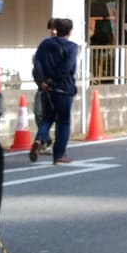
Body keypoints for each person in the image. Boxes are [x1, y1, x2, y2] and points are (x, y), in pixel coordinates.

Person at [31, 17, 79, 165]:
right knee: (63, 121)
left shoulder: (45, 44)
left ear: (56, 29)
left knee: (47, 117)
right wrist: (53, 81)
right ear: (70, 31)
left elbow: (37, 62)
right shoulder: (71, 47)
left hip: (46, 89)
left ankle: (40, 140)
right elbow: (67, 68)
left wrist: (41, 82)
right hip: (63, 88)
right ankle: (59, 155)